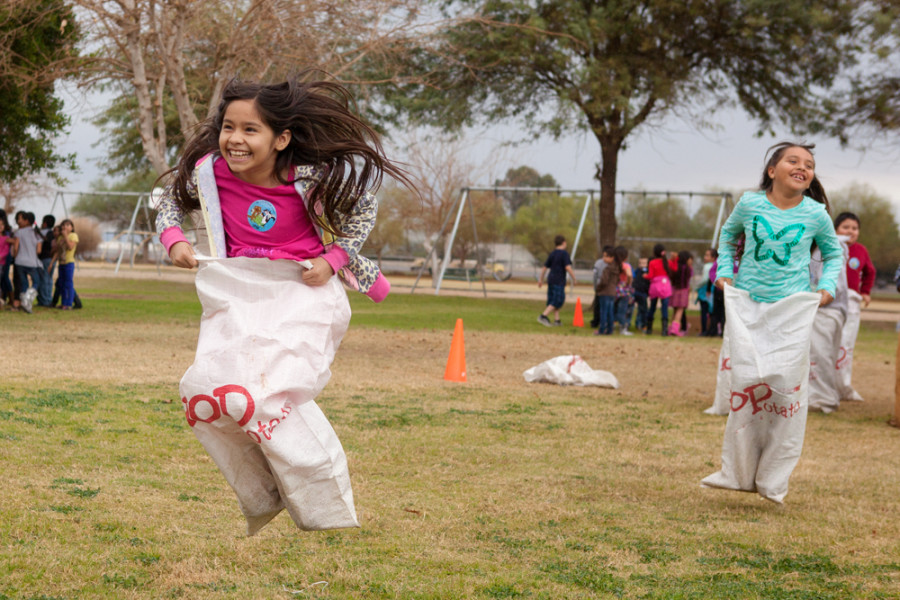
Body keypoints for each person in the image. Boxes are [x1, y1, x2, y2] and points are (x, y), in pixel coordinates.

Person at [154, 74, 413, 534]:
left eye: (250, 129)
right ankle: (262, 494)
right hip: (238, 291)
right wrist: (173, 240)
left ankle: (324, 503)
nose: (235, 139)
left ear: (281, 138)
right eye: (228, 127)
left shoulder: (309, 178)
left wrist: (333, 260)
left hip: (302, 292)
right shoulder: (207, 171)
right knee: (205, 393)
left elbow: (364, 210)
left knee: (268, 395)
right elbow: (169, 203)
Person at [702, 141, 843, 503]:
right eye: (793, 161)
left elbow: (832, 254)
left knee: (785, 395)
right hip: (747, 307)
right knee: (747, 388)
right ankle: (735, 473)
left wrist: (826, 287)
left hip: (790, 313)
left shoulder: (815, 214)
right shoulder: (749, 203)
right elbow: (728, 236)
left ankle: (772, 480)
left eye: (809, 164)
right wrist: (724, 272)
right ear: (771, 171)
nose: (802, 167)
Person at [833, 212, 875, 403]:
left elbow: (870, 272)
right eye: (846, 227)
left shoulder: (861, 251)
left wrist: (865, 291)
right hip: (830, 301)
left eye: (854, 228)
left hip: (851, 301)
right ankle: (822, 385)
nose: (850, 231)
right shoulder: (829, 247)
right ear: (836, 230)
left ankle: (843, 387)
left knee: (845, 344)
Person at [537, 234, 577, 326]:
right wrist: (573, 278)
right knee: (558, 300)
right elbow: (568, 267)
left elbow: (544, 268)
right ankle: (543, 316)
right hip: (559, 281)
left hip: (551, 279)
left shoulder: (552, 253)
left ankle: (557, 320)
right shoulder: (564, 254)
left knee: (552, 299)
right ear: (564, 243)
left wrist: (541, 280)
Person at [11, 211, 43, 313]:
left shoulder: (19, 232)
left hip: (19, 261)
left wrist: (16, 257)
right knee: (36, 282)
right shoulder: (36, 233)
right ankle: (27, 300)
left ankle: (25, 302)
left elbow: (15, 248)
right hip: (32, 262)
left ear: (26, 220)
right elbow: (39, 250)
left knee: (24, 283)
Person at [643, 243, 674, 335]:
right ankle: (664, 330)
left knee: (652, 307)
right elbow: (675, 267)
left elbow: (650, 275)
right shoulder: (667, 262)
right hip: (665, 286)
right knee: (664, 308)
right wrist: (674, 257)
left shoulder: (652, 262)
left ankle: (649, 329)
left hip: (655, 287)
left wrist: (644, 276)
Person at [593, 246, 619, 335]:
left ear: (612, 257)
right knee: (610, 311)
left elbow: (604, 281)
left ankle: (601, 329)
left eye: (605, 256)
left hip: (604, 292)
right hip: (612, 292)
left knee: (603, 311)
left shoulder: (607, 268)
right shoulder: (616, 268)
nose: (603, 258)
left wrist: (598, 288)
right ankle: (610, 330)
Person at [53, 219, 79, 310]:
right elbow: (58, 250)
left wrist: (65, 236)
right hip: (61, 263)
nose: (65, 227)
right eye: (63, 225)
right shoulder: (60, 238)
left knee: (68, 283)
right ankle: (64, 302)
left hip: (69, 263)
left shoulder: (73, 236)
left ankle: (69, 304)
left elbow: (70, 247)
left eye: (68, 225)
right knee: (62, 283)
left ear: (72, 227)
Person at [668, 250, 693, 337]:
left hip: (674, 290)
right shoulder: (688, 269)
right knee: (680, 310)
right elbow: (689, 278)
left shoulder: (675, 267)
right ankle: (675, 329)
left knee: (675, 310)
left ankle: (670, 328)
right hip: (683, 291)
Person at [613, 245, 634, 335]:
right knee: (622, 309)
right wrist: (628, 283)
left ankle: (611, 325)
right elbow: (629, 275)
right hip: (624, 289)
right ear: (625, 256)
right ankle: (622, 328)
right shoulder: (626, 265)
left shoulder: (613, 265)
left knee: (613, 308)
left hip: (614, 288)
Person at [589, 246, 611, 329]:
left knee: (599, 305)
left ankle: (597, 321)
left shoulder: (599, 263)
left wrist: (595, 286)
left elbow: (595, 275)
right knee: (602, 305)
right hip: (606, 287)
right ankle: (600, 321)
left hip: (601, 286)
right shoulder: (612, 263)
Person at [37, 214, 56, 307]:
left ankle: (45, 301)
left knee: (45, 279)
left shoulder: (46, 233)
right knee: (48, 279)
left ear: (44, 223)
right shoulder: (52, 232)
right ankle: (46, 299)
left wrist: (38, 232)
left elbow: (46, 241)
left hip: (45, 259)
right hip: (51, 259)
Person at [696, 248, 716, 336]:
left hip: (705, 292)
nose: (705, 257)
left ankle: (704, 331)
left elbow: (704, 279)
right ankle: (713, 330)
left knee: (704, 312)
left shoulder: (707, 266)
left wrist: (697, 286)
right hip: (713, 291)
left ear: (713, 257)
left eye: (707, 255)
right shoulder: (717, 266)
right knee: (712, 312)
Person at [631, 256, 650, 331]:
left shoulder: (648, 272)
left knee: (643, 310)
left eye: (644, 263)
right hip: (635, 292)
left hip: (643, 294)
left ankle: (643, 325)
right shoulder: (636, 271)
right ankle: (626, 324)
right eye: (640, 263)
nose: (642, 265)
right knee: (630, 309)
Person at [0, 209, 13, 308]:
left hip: (5, 257)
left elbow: (7, 245)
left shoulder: (7, 231)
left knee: (4, 277)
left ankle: (11, 298)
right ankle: (3, 298)